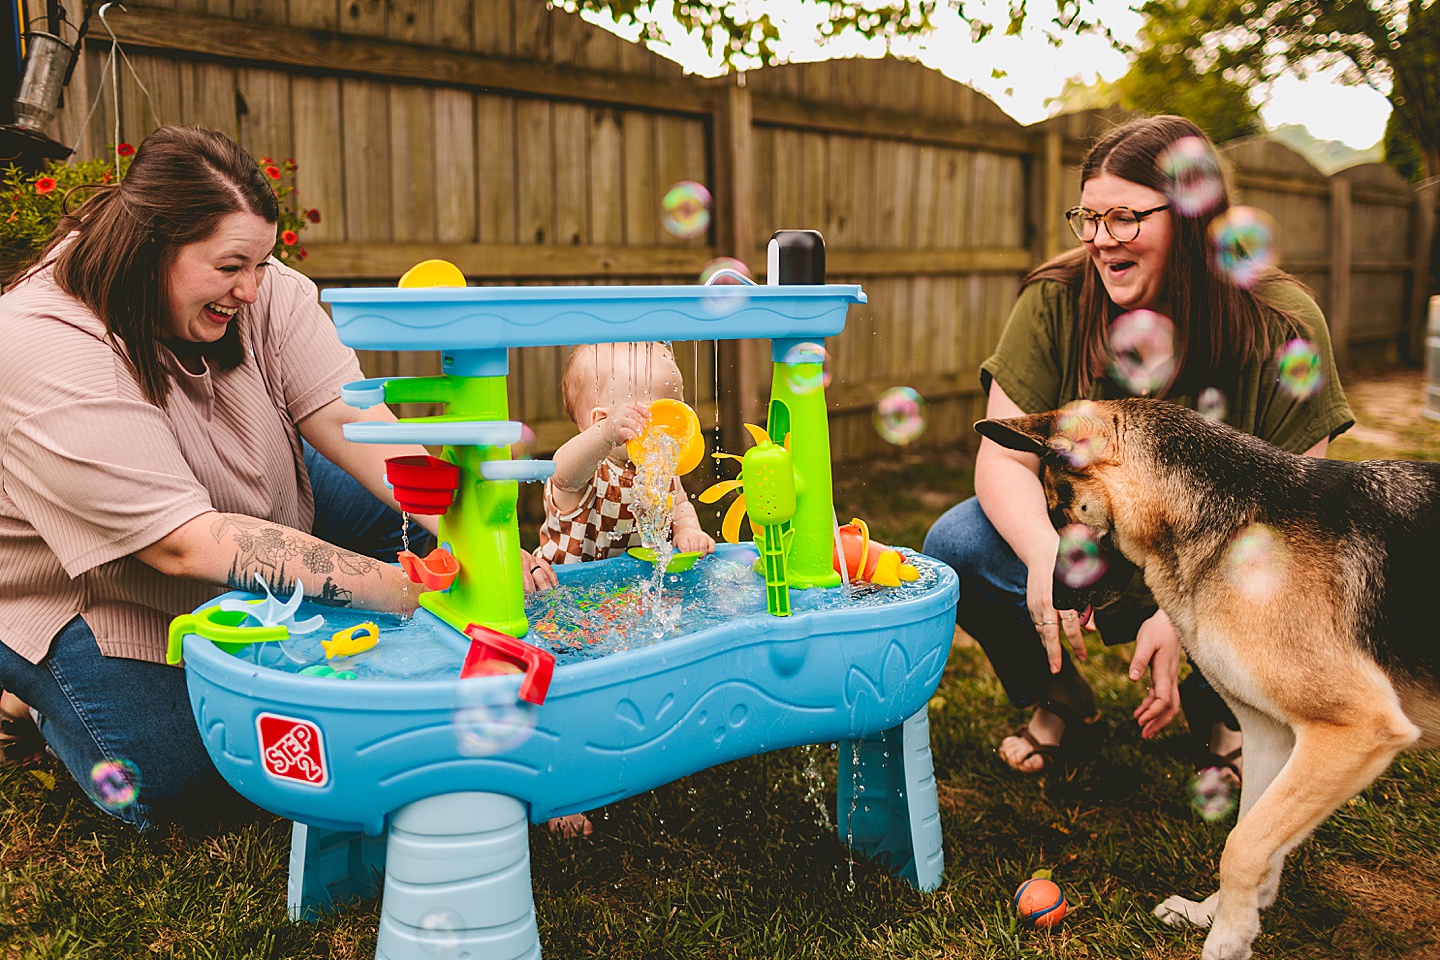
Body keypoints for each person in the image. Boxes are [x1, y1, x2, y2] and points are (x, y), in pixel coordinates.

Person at [0, 125, 556, 830]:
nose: (254, 290)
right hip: (89, 586)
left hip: (248, 497)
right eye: (232, 266)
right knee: (195, 782)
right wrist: (404, 590)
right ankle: (32, 693)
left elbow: (354, 426)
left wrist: (473, 535)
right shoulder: (40, 342)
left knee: (404, 516)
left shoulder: (267, 290)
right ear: (151, 245)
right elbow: (181, 546)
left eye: (263, 262)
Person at [923, 115, 1354, 778]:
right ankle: (1065, 699)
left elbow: (1294, 508)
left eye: (1124, 217)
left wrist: (1185, 616)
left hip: (1226, 556)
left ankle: (1222, 712)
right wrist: (1044, 553)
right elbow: (1003, 457)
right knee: (960, 543)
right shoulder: (1057, 301)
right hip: (1093, 546)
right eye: (1088, 218)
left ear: (1190, 218)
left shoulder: (1281, 321)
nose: (1100, 240)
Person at [538, 341, 716, 565]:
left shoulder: (659, 462)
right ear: (601, 421)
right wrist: (604, 435)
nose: (673, 423)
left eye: (677, 406)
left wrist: (688, 531)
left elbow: (679, 505)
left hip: (631, 588)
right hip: (568, 586)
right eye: (660, 414)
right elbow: (561, 475)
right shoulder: (587, 470)